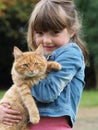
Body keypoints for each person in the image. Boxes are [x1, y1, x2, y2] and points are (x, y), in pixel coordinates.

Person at [0, 0, 88, 129]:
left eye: (55, 32)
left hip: (52, 125)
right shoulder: (38, 57)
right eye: (40, 33)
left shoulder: (71, 53)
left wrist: (20, 78)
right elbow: (19, 93)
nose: (46, 40)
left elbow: (46, 94)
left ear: (72, 30)